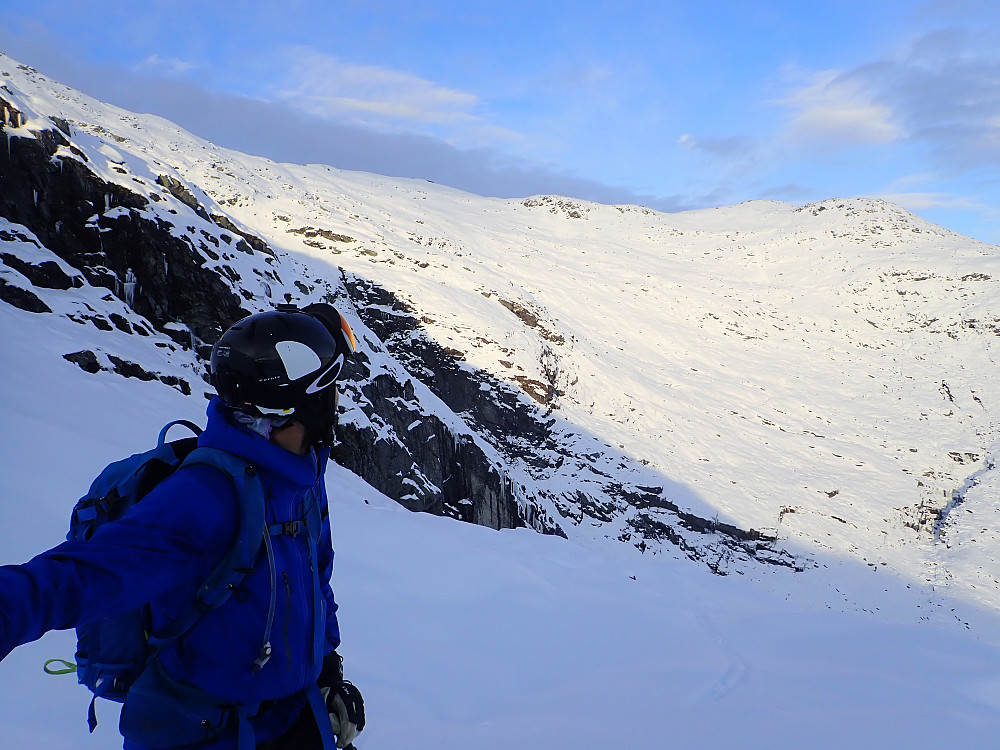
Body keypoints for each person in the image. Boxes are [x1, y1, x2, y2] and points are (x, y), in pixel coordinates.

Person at [0, 303, 365, 749]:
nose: (335, 409)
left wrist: (326, 668)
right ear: (297, 410)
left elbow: (314, 578)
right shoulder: (207, 497)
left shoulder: (300, 481)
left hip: (290, 716)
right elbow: (86, 574)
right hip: (204, 732)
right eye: (327, 396)